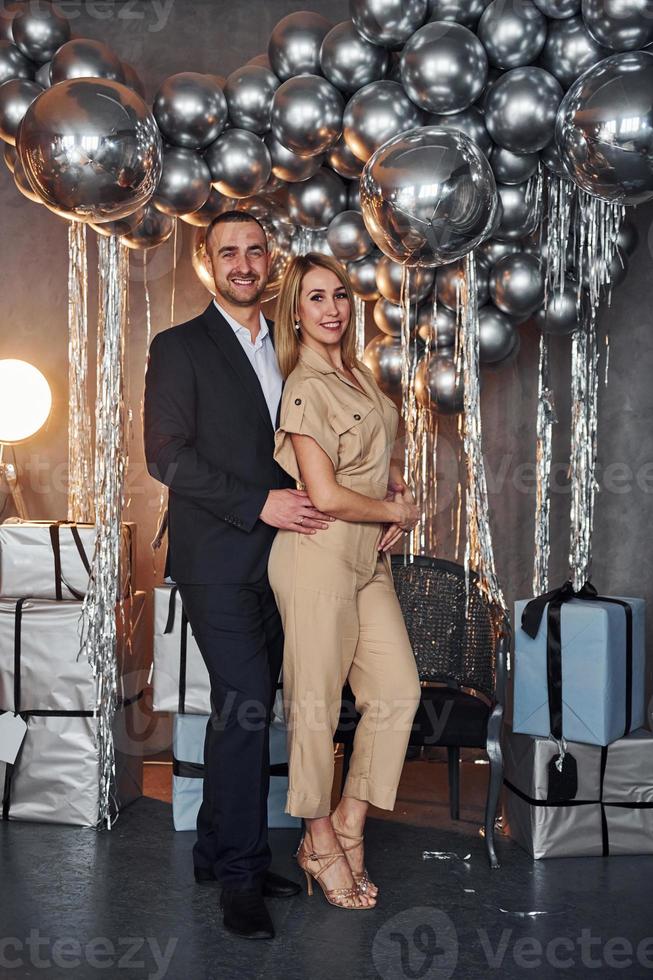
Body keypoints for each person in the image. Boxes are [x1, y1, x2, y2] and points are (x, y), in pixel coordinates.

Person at [143, 213, 333, 941]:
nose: (245, 263)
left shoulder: (292, 345)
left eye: (256, 251)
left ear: (270, 261)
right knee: (249, 701)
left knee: (243, 706)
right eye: (230, 252)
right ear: (206, 263)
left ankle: (217, 849)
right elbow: (168, 458)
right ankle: (242, 880)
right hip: (217, 555)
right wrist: (259, 503)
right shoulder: (180, 347)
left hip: (286, 558)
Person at [268, 253, 423, 911]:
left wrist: (397, 487)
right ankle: (318, 838)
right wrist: (398, 511)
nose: (332, 309)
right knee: (314, 707)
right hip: (316, 554)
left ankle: (352, 822)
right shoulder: (304, 384)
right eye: (315, 299)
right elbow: (325, 494)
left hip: (369, 559)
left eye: (338, 296)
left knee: (398, 691)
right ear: (295, 313)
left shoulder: (356, 373)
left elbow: (378, 453)